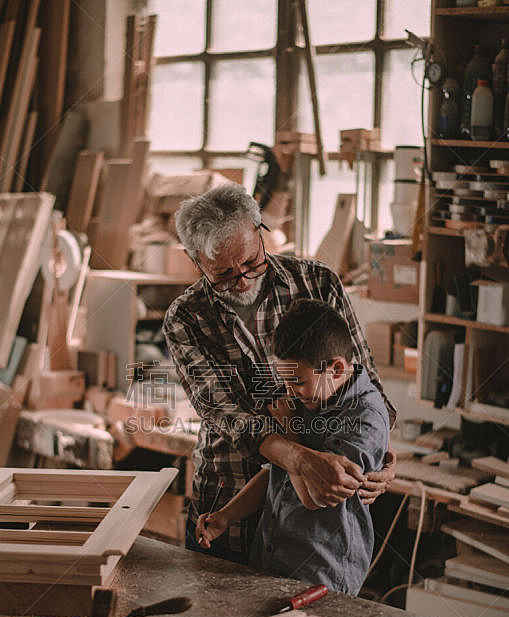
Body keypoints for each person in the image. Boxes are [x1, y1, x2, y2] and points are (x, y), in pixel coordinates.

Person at [163, 183, 396, 564]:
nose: (242, 279)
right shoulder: (186, 317)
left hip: (312, 527)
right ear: (195, 261)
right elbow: (227, 415)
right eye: (223, 272)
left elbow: (364, 382)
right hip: (231, 493)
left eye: (252, 261)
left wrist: (382, 454)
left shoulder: (318, 283)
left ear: (260, 231)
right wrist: (300, 458)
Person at [195, 299, 390, 594]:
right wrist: (226, 516)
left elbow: (315, 495)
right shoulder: (316, 395)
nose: (291, 393)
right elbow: (280, 471)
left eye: (297, 383)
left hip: (322, 572)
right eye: (286, 383)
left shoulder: (365, 417)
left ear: (336, 368)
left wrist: (289, 431)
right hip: (272, 559)